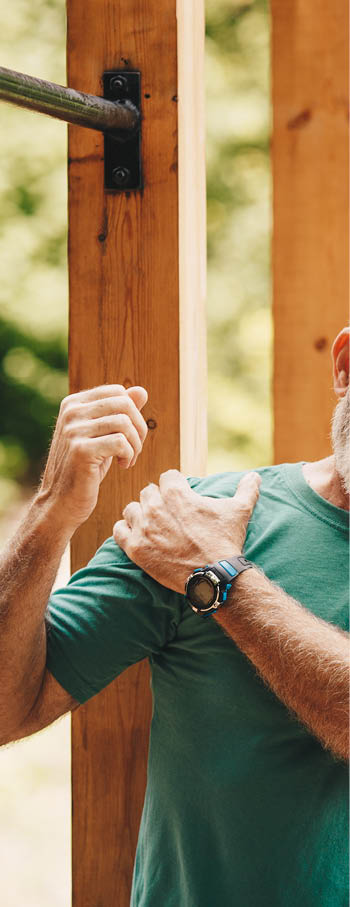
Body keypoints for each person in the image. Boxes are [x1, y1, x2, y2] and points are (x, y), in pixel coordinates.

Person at [0, 329, 349, 907]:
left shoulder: (198, 552)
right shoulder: (190, 525)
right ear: (344, 366)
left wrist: (219, 580)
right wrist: (51, 513)